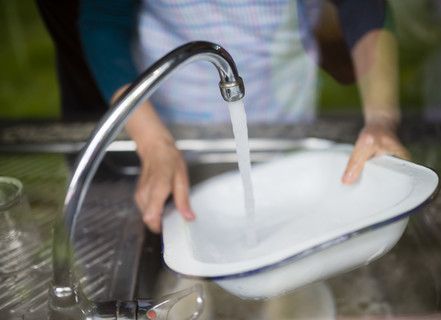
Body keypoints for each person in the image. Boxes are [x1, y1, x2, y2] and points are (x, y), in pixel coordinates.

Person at [36, 0, 410, 234]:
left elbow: (363, 6)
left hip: (284, 113)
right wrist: (152, 142)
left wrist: (380, 119)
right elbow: (103, 18)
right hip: (174, 120)